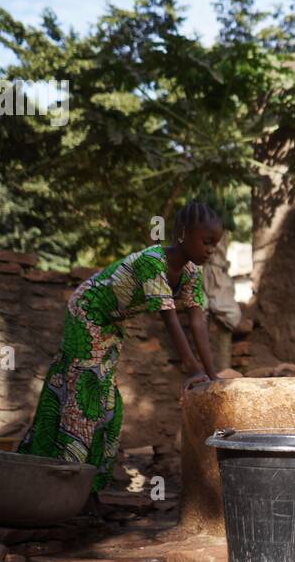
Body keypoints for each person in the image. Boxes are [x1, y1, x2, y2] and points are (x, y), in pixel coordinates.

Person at [17, 201, 225, 508]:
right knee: (83, 395)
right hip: (86, 311)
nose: (211, 250)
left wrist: (212, 374)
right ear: (182, 234)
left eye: (215, 245)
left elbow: (197, 323)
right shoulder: (153, 262)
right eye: (206, 242)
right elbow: (170, 321)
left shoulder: (191, 273)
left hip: (112, 322)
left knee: (107, 402)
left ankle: (86, 488)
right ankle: (60, 489)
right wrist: (192, 369)